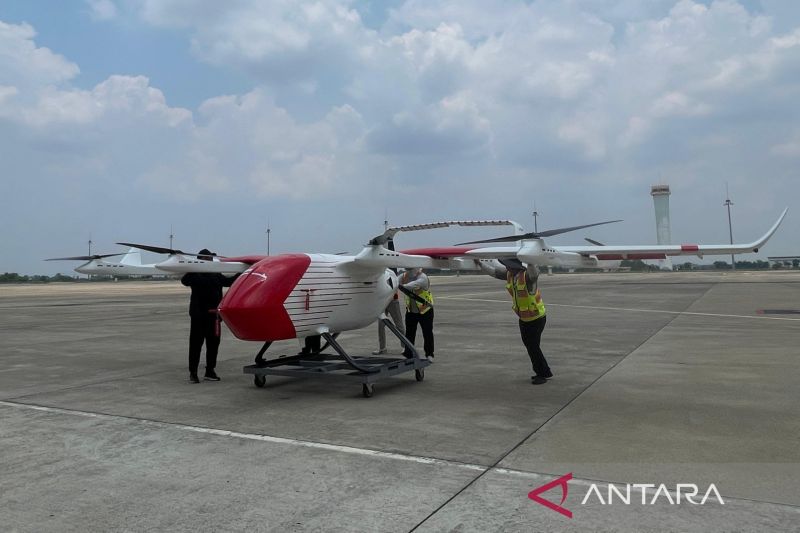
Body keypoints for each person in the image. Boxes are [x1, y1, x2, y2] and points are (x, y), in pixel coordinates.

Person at [482, 258, 552, 384]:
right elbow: (494, 272)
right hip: (524, 318)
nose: (507, 268)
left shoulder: (527, 276)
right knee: (531, 346)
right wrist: (480, 264)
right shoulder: (510, 275)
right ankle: (543, 371)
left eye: (509, 266)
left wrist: (531, 259)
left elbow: (535, 273)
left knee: (533, 347)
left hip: (536, 318)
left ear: (515, 266)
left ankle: (542, 373)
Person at [181, 249, 238, 383]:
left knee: (213, 346)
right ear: (201, 259)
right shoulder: (194, 274)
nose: (210, 260)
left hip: (214, 317)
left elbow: (228, 282)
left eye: (211, 258)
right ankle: (193, 373)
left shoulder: (215, 274)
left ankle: (210, 371)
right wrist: (193, 266)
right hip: (198, 317)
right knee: (195, 345)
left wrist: (242, 271)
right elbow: (184, 280)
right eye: (207, 258)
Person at [399, 267, 434, 359]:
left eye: (411, 269)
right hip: (411, 311)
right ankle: (408, 353)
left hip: (425, 310)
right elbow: (393, 280)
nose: (409, 271)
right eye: (407, 269)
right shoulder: (403, 276)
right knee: (409, 333)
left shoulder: (423, 278)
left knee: (427, 333)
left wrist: (398, 285)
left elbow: (411, 286)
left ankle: (429, 354)